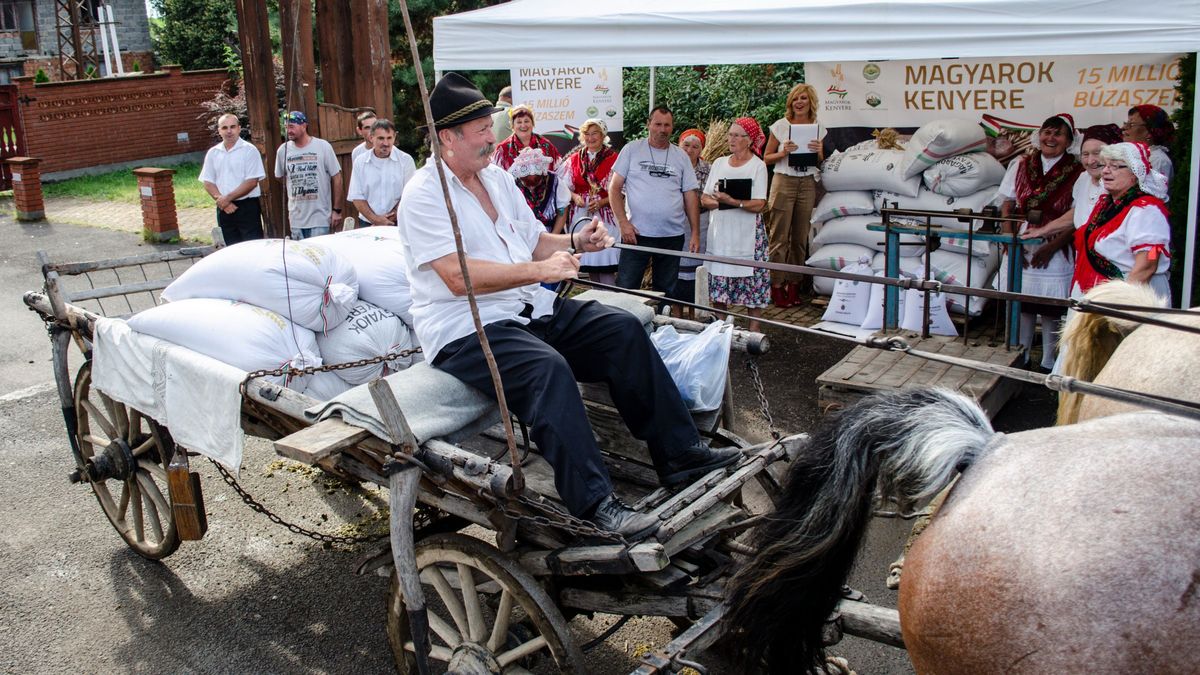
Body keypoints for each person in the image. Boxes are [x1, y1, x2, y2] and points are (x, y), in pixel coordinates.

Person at [398, 73, 739, 539]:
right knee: (549, 369)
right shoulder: (423, 194)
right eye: (480, 129)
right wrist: (541, 272)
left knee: (622, 330)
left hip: (524, 309)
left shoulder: (495, 177)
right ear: (447, 138)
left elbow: (533, 240)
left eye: (487, 126)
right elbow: (458, 278)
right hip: (465, 329)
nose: (490, 136)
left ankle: (679, 456)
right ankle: (594, 504)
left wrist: (575, 239)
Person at [998, 113, 1083, 370]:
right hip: (1022, 236)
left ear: (1069, 140)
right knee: (1022, 300)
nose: (1051, 138)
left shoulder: (1078, 170)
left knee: (1049, 306)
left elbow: (1079, 215)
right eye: (1047, 132)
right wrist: (1009, 240)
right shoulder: (1021, 164)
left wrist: (1051, 247)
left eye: (1058, 134)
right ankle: (1021, 354)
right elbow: (1007, 203)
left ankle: (1048, 360)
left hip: (1058, 241)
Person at [609, 106, 701, 299]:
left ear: (672, 127)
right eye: (658, 124)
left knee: (665, 293)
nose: (662, 129)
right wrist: (623, 223)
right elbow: (614, 188)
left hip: (672, 235)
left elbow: (690, 196)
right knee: (626, 289)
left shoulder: (681, 156)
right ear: (648, 124)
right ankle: (625, 328)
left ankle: (660, 328)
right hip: (635, 234)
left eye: (667, 125)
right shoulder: (632, 149)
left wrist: (695, 233)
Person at [1070, 141, 1172, 302]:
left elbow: (1149, 261)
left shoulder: (1146, 210)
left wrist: (1122, 303)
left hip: (1134, 296)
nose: (1105, 171)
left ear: (1135, 173)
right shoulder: (1106, 205)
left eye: (1116, 166)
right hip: (1102, 292)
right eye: (1105, 165)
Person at [701, 118, 770, 333]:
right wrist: (729, 204)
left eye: (737, 135)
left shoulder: (758, 166)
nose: (731, 139)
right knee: (719, 277)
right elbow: (705, 199)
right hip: (721, 232)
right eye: (730, 134)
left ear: (749, 140)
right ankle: (719, 327)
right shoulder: (720, 163)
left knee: (752, 279)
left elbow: (759, 203)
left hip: (747, 233)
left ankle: (754, 330)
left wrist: (732, 201)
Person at [762, 83, 825, 307]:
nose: (799, 102)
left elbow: (820, 161)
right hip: (784, 181)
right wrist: (783, 152)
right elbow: (766, 158)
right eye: (795, 99)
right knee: (779, 238)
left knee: (799, 239)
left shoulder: (817, 127)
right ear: (791, 102)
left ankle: (794, 285)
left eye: (804, 99)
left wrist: (818, 151)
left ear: (811, 103)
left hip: (807, 182)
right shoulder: (781, 126)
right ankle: (776, 286)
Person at [560, 118, 621, 286]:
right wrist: (574, 196)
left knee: (605, 260)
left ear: (603, 136)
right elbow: (563, 186)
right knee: (592, 262)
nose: (590, 138)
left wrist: (602, 202)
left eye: (595, 134)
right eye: (587, 134)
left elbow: (621, 191)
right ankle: (598, 297)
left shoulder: (614, 158)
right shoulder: (574, 159)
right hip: (582, 215)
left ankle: (610, 299)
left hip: (606, 217)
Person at [273, 111, 343, 239]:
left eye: (292, 126)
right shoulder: (283, 150)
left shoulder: (322, 146)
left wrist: (337, 210)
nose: (288, 130)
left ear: (304, 126)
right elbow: (279, 176)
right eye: (286, 127)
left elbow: (337, 177)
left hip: (319, 217)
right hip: (296, 218)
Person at [199, 113, 265, 245]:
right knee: (231, 249)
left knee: (253, 248)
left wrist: (226, 199)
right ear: (219, 131)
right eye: (224, 128)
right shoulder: (213, 153)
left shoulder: (249, 150)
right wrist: (222, 200)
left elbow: (252, 182)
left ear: (239, 128)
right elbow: (207, 181)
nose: (229, 131)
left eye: (232, 127)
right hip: (224, 208)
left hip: (247, 207)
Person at [347, 119, 417, 227]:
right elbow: (357, 196)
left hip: (398, 222)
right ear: (371, 138)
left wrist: (389, 218)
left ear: (394, 137)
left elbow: (409, 195)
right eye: (381, 138)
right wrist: (375, 220)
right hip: (367, 223)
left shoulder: (406, 161)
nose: (386, 143)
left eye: (389, 138)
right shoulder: (360, 162)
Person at [674, 128, 712, 309]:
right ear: (679, 145)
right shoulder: (672, 165)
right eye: (686, 145)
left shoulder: (708, 169)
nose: (689, 150)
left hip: (701, 223)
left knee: (697, 268)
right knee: (676, 267)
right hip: (676, 222)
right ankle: (677, 310)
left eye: (695, 147)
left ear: (701, 149)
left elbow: (710, 196)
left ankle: (696, 310)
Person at [505, 146, 568, 233]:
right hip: (523, 236)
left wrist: (553, 236)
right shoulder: (513, 184)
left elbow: (562, 210)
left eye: (536, 183)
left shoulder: (554, 181)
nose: (531, 188)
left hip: (552, 233)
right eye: (527, 184)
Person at [492, 103, 562, 173]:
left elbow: (557, 172)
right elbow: (497, 175)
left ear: (533, 123)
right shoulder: (502, 149)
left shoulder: (546, 145)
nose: (523, 125)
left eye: (526, 121)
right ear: (512, 126)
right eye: (519, 122)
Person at [1121, 105, 1175, 185]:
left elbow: (1155, 194)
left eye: (1131, 124)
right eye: (1126, 123)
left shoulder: (1158, 160)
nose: (1124, 127)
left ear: (1149, 133)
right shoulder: (1132, 155)